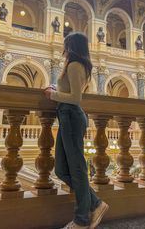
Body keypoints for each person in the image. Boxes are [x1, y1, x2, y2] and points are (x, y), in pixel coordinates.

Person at [44, 32, 109, 229]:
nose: (64, 49)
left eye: (66, 45)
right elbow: (70, 90)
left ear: (71, 46)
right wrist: (56, 87)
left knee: (77, 168)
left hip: (71, 115)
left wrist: (53, 94)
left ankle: (81, 220)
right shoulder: (77, 65)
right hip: (67, 116)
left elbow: (75, 98)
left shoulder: (74, 65)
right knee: (62, 169)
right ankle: (96, 203)